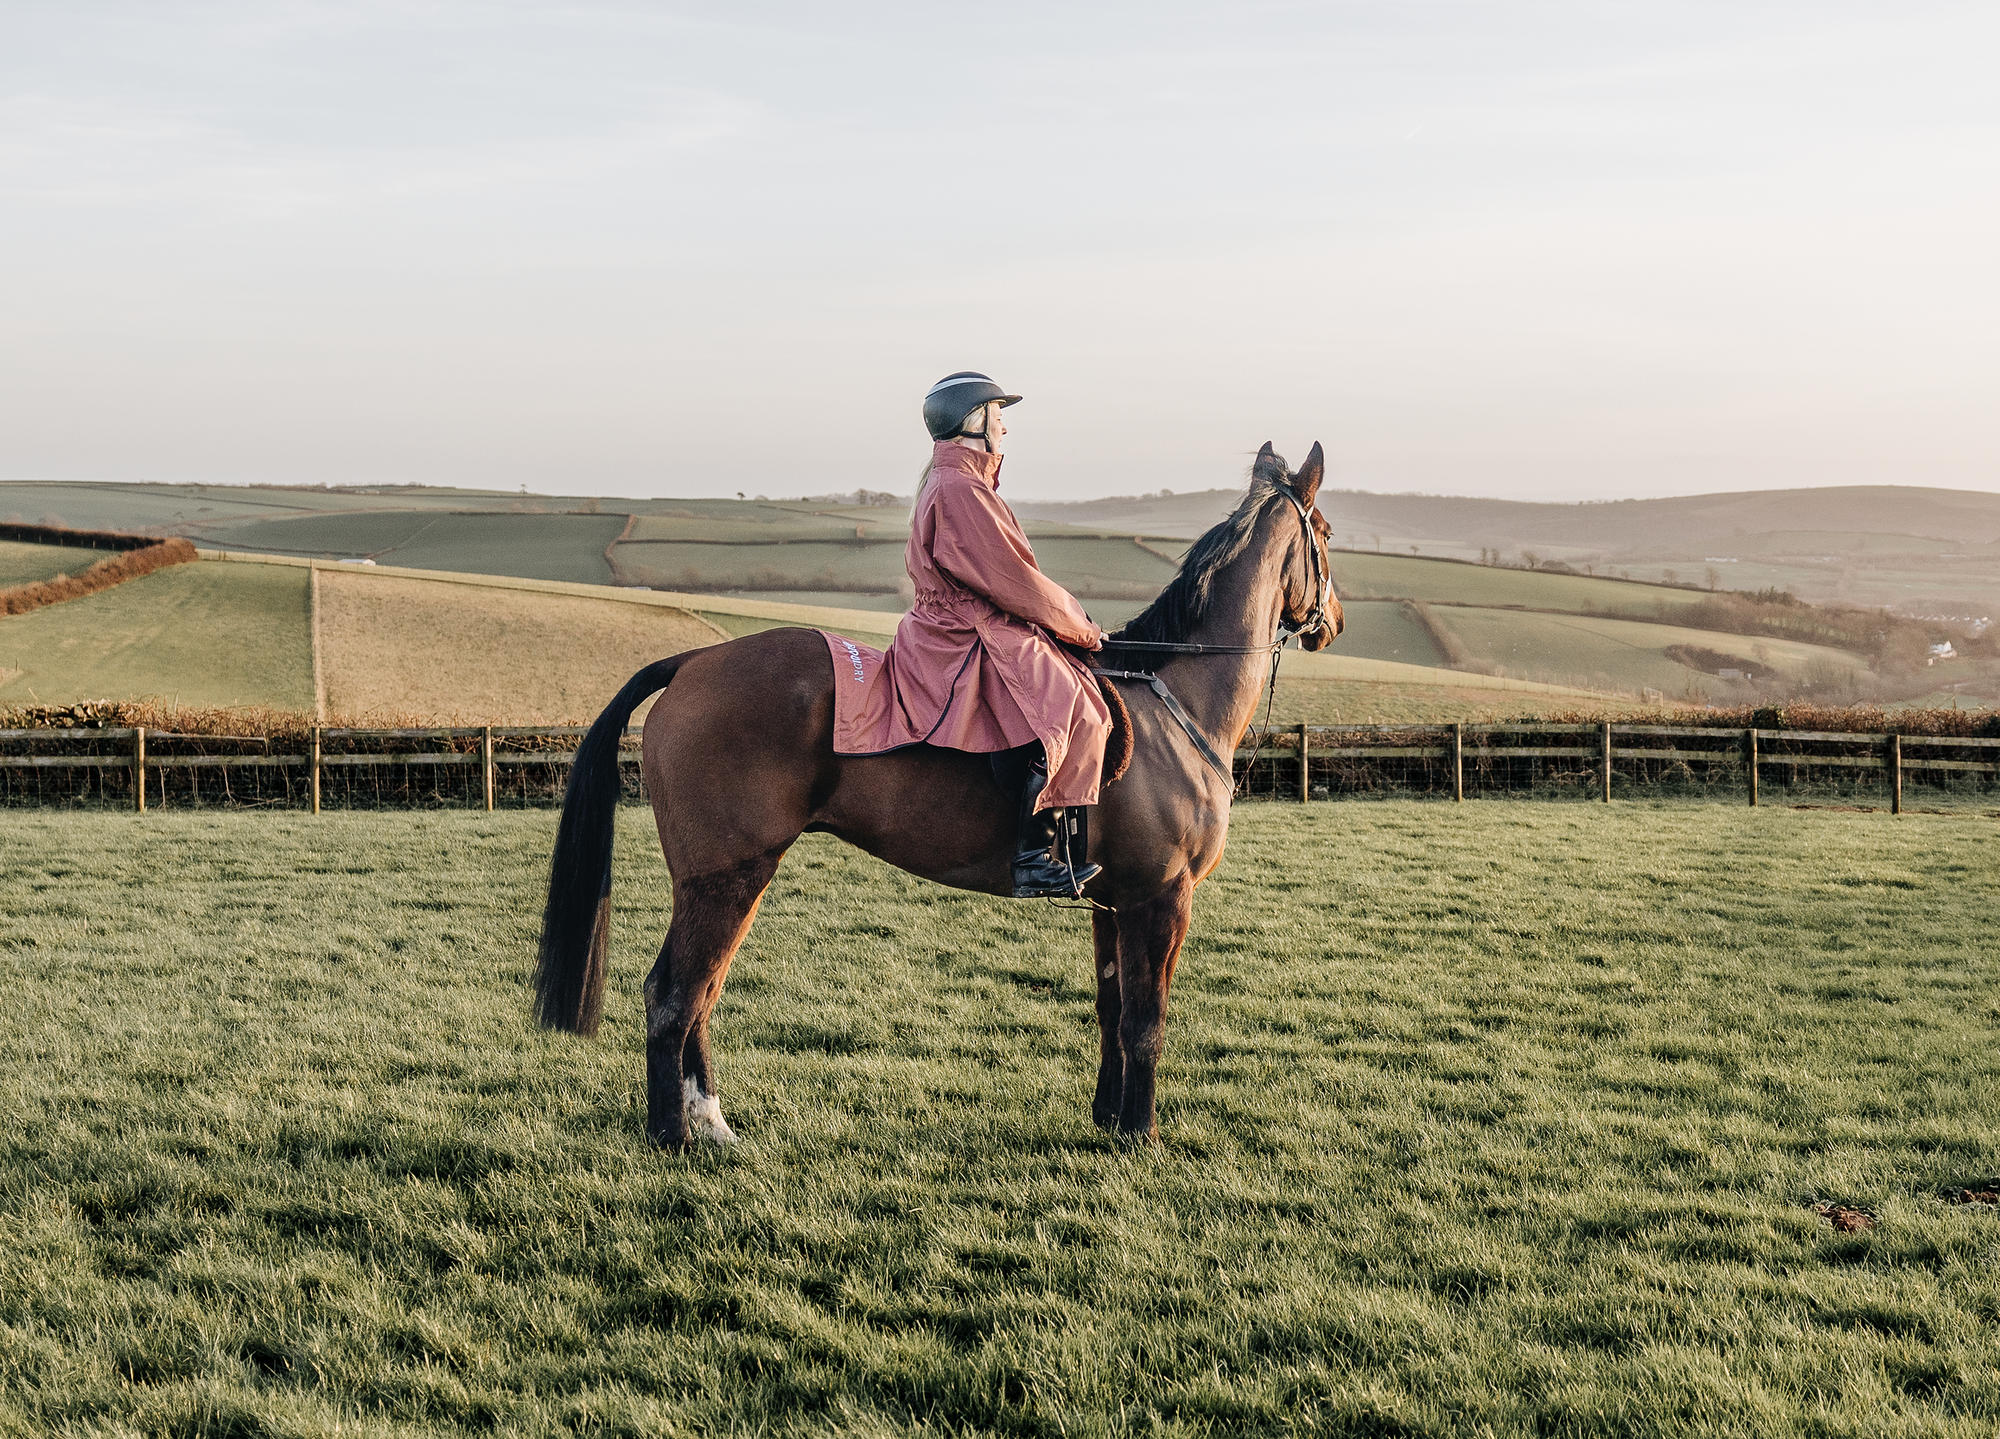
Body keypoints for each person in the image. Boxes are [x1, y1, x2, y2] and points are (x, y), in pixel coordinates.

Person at [875, 371, 1112, 897]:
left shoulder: (960, 482)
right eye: (999, 417)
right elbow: (1014, 582)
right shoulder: (961, 488)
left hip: (966, 622)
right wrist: (1083, 630)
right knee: (1071, 706)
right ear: (975, 422)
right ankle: (1032, 857)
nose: (1005, 428)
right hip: (967, 631)